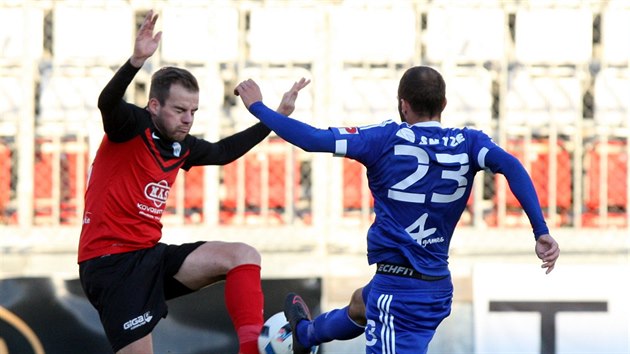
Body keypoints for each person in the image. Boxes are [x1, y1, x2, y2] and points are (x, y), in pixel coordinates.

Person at [234, 66, 560, 354]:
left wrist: (258, 107)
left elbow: (312, 139)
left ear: (403, 104)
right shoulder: (470, 143)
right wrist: (540, 231)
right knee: (361, 304)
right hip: (433, 282)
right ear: (443, 105)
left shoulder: (383, 139)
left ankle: (306, 337)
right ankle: (305, 336)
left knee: (373, 303)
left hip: (401, 295)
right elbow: (513, 167)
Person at [77, 10, 309, 354]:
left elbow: (223, 151)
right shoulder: (129, 126)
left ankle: (250, 348)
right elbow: (106, 102)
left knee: (243, 255)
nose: (187, 119)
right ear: (154, 105)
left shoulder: (180, 145)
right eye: (179, 110)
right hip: (111, 266)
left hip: (150, 257)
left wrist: (274, 117)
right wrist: (136, 61)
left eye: (193, 112)